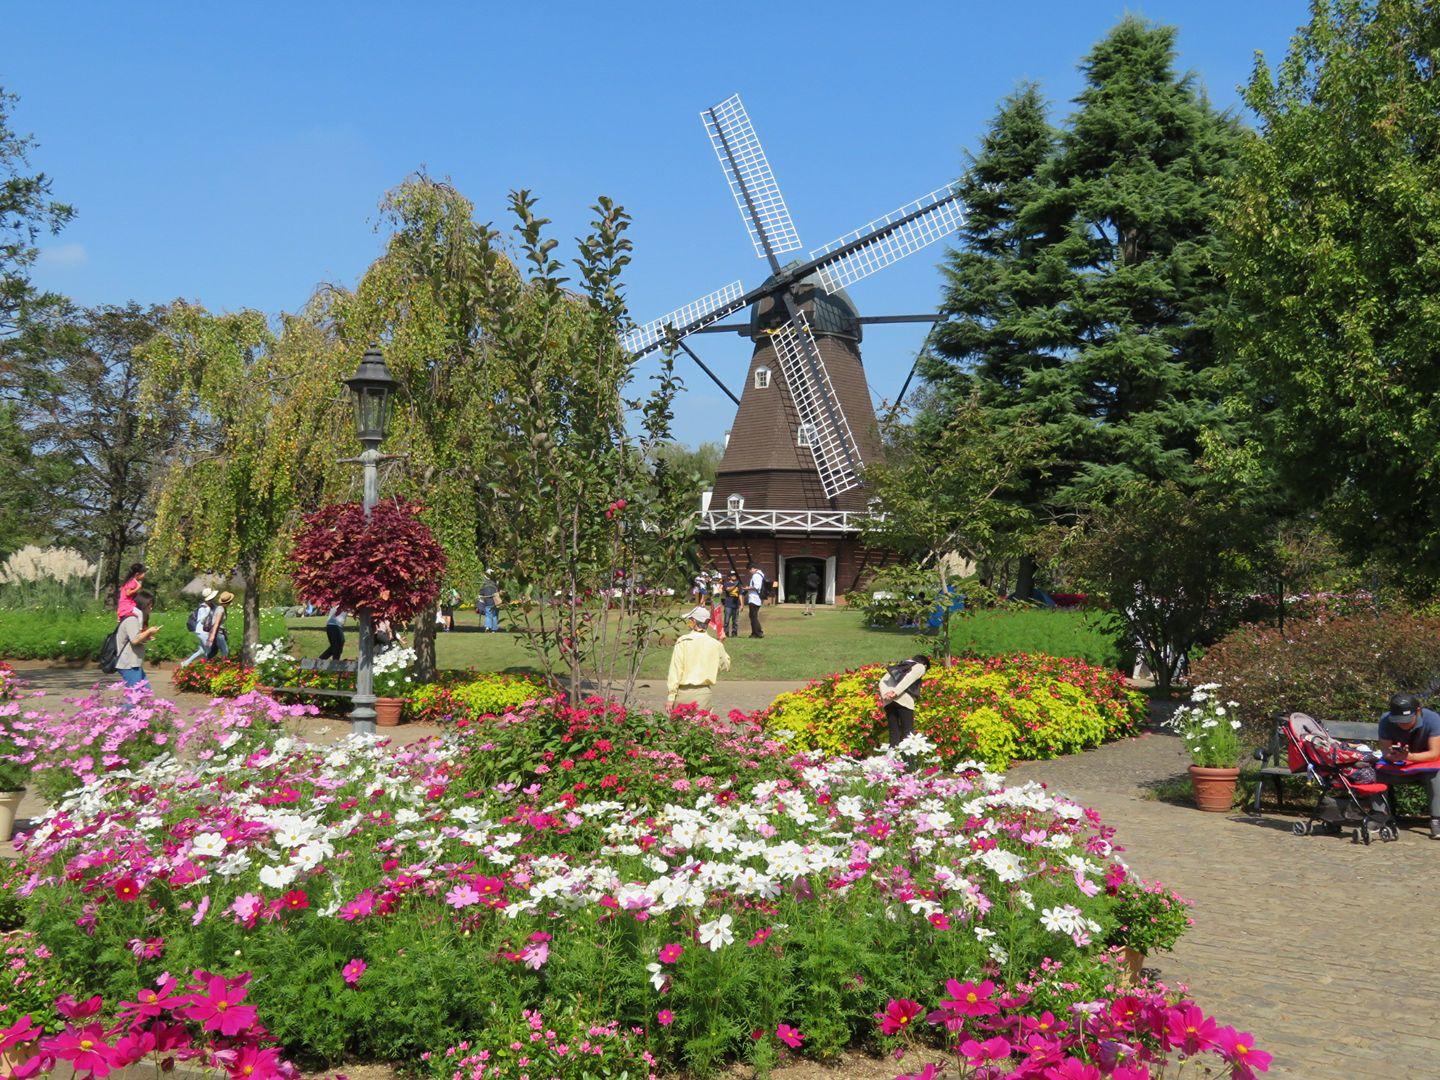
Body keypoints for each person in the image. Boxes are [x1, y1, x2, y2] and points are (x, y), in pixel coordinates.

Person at [1378, 692, 1440, 839]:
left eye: (1406, 719)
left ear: (1417, 711)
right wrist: (1393, 756)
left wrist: (1410, 757)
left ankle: (1437, 819)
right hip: (1399, 766)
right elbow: (1385, 751)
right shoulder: (1386, 720)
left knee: (1438, 775)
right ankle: (1379, 816)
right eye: (1398, 720)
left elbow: (1435, 753)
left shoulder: (1432, 719)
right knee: (1378, 772)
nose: (1402, 724)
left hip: (1426, 766)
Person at [667, 605, 731, 710]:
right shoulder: (715, 644)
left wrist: (671, 697)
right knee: (702, 725)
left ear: (693, 621)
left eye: (689, 620)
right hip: (704, 694)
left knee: (680, 725)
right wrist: (721, 643)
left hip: (683, 693)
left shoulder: (683, 641)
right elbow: (725, 666)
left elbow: (675, 670)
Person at [879, 654, 930, 748]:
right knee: (908, 734)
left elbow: (882, 681)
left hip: (888, 702)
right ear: (925, 664)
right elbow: (908, 679)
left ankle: (893, 760)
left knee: (894, 733)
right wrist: (895, 692)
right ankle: (909, 761)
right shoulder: (920, 666)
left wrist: (885, 695)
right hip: (904, 700)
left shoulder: (899, 666)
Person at [115, 590, 160, 689]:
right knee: (133, 699)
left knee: (145, 693)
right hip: (129, 664)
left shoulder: (135, 619)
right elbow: (135, 640)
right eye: (149, 605)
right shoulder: (132, 619)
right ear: (143, 605)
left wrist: (146, 636)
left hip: (134, 663)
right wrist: (148, 632)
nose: (151, 608)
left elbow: (135, 638)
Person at [180, 588, 219, 667]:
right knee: (209, 649)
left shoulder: (210, 606)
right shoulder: (204, 608)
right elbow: (201, 620)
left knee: (202, 650)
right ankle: (207, 667)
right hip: (202, 631)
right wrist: (208, 614)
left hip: (202, 631)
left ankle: (186, 663)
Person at [206, 591, 233, 659]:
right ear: (228, 602)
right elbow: (216, 623)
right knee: (225, 651)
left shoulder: (221, 608)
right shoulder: (220, 610)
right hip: (218, 633)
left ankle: (205, 663)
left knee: (214, 651)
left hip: (218, 632)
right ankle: (225, 666)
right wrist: (212, 636)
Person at [746, 564, 766, 638]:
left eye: (750, 570)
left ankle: (758, 633)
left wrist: (747, 588)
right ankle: (754, 633)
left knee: (753, 617)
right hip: (757, 598)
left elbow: (757, 587)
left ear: (753, 568)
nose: (750, 572)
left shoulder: (756, 575)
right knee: (753, 616)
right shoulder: (761, 574)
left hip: (754, 598)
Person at [721, 572, 741, 638]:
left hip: (736, 604)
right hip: (728, 604)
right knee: (726, 620)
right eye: (732, 575)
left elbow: (740, 594)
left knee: (735, 621)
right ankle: (726, 633)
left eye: (735, 575)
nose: (734, 576)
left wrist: (742, 604)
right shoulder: (726, 583)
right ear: (729, 577)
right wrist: (735, 585)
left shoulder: (738, 584)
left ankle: (734, 634)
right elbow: (728, 589)